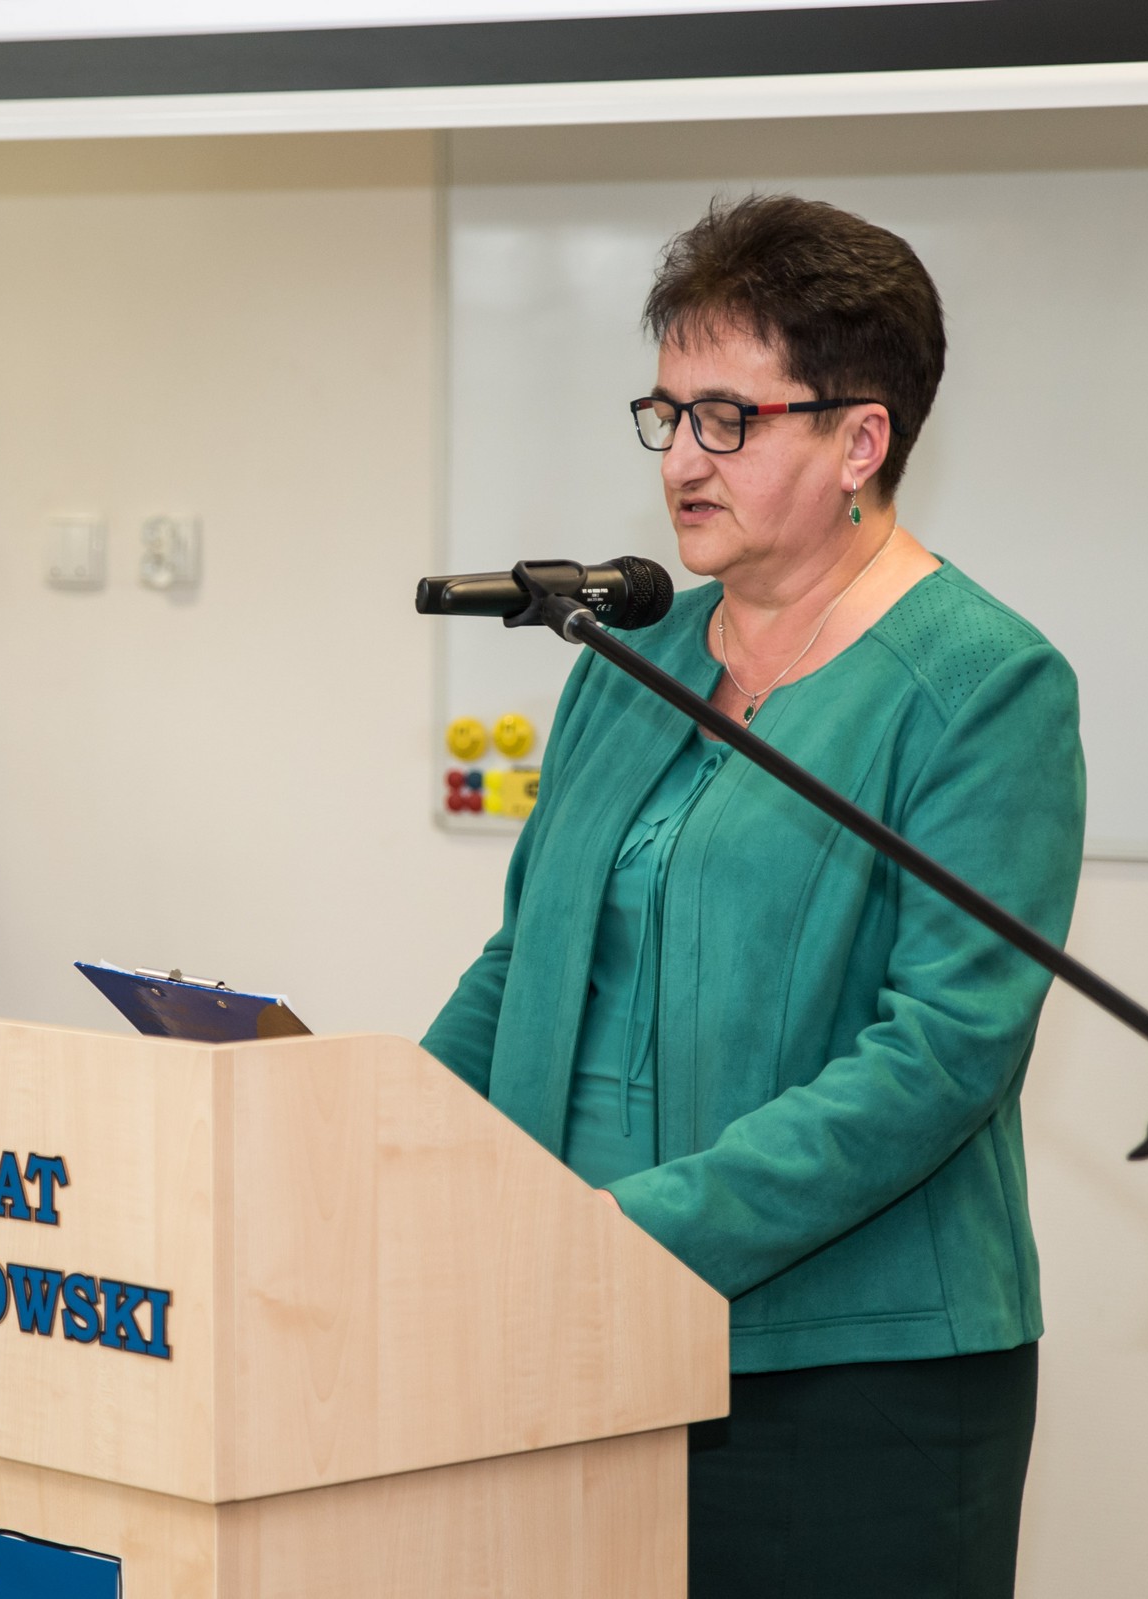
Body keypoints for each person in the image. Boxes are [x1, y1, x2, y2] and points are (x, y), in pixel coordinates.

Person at [421, 193, 1085, 1598]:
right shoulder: (630, 651)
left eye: (728, 418)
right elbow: (526, 960)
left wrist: (640, 1235)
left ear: (861, 442)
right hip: (579, 1341)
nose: (681, 459)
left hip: (848, 1388)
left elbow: (944, 1052)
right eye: (666, 414)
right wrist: (380, 1143)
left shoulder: (985, 688)